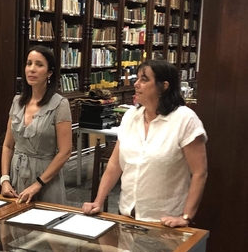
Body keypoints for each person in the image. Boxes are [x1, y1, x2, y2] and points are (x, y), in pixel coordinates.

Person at [81, 60, 208, 228]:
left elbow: (200, 172)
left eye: (144, 79)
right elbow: (114, 164)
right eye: (138, 78)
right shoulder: (131, 116)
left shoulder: (185, 119)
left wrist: (186, 216)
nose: (136, 84)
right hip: (126, 216)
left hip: (164, 221)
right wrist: (98, 201)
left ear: (163, 86)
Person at [0, 46, 72, 205]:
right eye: (29, 63)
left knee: (44, 227)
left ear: (50, 72)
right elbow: (8, 145)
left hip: (45, 178)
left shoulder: (60, 104)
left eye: (39, 65)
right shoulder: (17, 102)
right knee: (13, 226)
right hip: (16, 176)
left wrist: (38, 184)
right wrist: (4, 179)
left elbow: (65, 151)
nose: (32, 69)